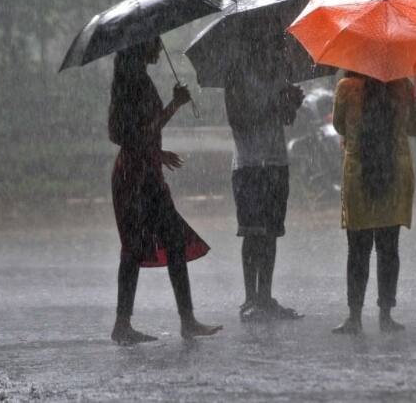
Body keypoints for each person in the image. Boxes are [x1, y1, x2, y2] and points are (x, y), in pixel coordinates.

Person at [108, 36, 222, 344]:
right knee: (133, 249)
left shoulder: (139, 79)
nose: (159, 48)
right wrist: (173, 106)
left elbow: (144, 131)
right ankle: (124, 325)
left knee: (173, 241)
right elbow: (120, 134)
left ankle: (186, 320)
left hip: (148, 173)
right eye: (154, 42)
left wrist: (158, 150)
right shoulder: (129, 83)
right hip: (134, 177)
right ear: (139, 46)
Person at [331, 72, 416, 334]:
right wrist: (413, 101)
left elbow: (339, 126)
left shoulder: (347, 87)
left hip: (359, 174)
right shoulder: (403, 86)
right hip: (394, 173)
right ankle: (385, 315)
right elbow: (414, 129)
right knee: (388, 247)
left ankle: (355, 317)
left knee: (357, 250)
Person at [224, 33, 305, 322]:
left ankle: (265, 296)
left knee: (270, 233)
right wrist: (273, 105)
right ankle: (250, 298)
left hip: (275, 161)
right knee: (252, 232)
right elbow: (237, 119)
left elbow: (284, 120)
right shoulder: (236, 74)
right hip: (248, 163)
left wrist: (291, 104)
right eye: (275, 42)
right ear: (258, 41)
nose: (280, 48)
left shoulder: (279, 72)